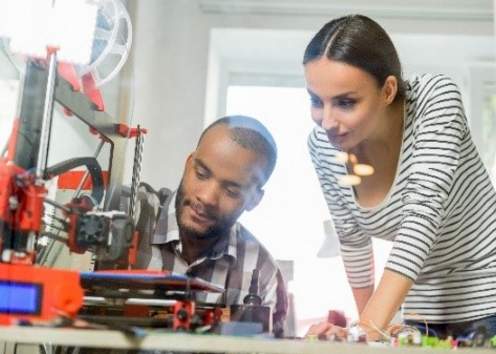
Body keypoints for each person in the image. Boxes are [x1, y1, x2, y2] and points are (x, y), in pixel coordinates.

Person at [304, 14, 496, 341]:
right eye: (316, 101)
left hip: (487, 294)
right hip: (421, 310)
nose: (327, 121)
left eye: (346, 102)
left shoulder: (436, 100)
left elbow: (420, 218)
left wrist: (364, 332)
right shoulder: (323, 146)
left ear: (389, 90)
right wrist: (371, 331)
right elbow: (353, 241)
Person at [135, 115, 287, 332]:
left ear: (254, 200)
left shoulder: (264, 275)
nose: (207, 197)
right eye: (201, 174)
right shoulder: (129, 216)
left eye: (231, 191)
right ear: (188, 165)